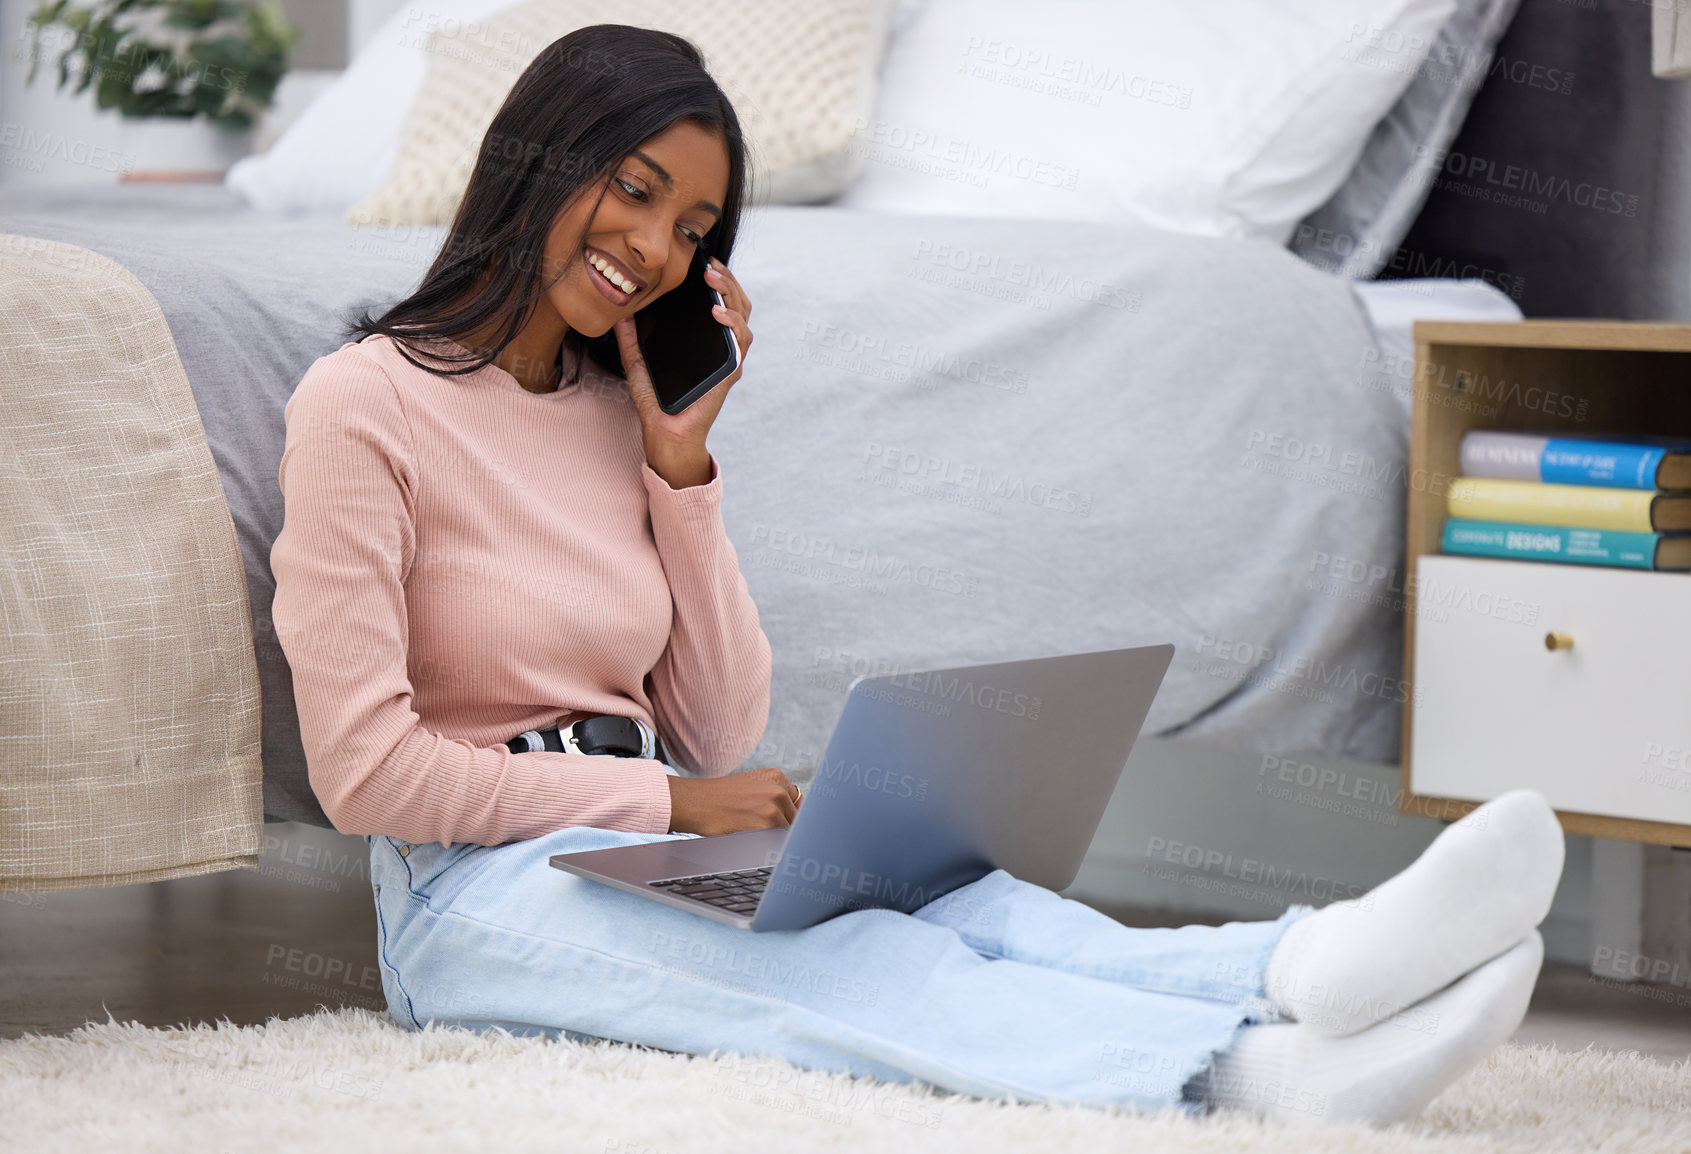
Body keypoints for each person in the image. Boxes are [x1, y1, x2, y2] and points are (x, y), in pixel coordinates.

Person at [270, 24, 1564, 1130]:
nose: (654, 246)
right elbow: (366, 773)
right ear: (539, 156)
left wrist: (681, 471)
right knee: (858, 966)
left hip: (640, 836)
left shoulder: (627, 417)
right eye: (633, 186)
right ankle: (1243, 1071)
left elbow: (720, 727)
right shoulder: (365, 404)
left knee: (953, 892)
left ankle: (1303, 961)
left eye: (694, 226)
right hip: (469, 892)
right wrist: (670, 803)